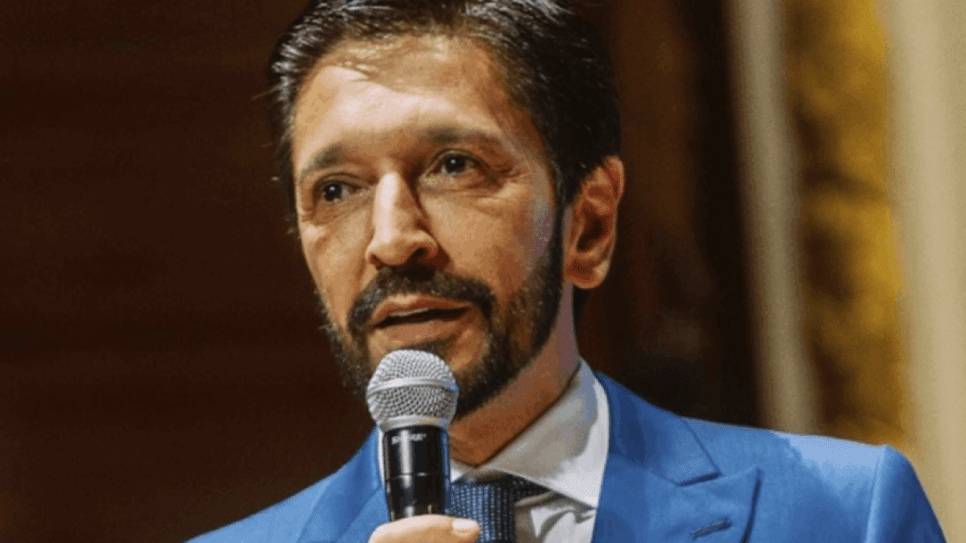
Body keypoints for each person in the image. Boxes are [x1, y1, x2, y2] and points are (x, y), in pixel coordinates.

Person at [189, 1, 945, 541]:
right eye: (336, 190)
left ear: (590, 224)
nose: (391, 239)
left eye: (454, 166)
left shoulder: (846, 514)